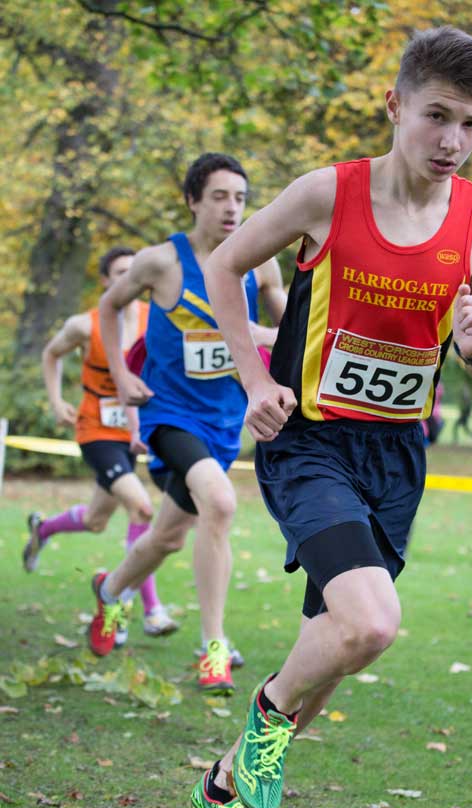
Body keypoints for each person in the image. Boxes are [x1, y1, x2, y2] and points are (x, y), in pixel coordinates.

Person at [187, 26, 472, 808]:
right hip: (308, 442)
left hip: (398, 455)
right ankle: (261, 718)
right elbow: (224, 267)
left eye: (471, 124)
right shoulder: (327, 193)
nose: (451, 141)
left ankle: (221, 788)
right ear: (395, 104)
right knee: (371, 624)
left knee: (331, 656)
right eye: (436, 116)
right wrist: (255, 381)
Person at [92, 153, 286, 695]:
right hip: (169, 415)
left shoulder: (260, 261)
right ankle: (213, 645)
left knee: (167, 537)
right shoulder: (159, 262)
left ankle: (110, 592)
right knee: (220, 504)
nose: (232, 208)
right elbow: (109, 308)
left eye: (240, 198)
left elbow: (289, 323)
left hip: (225, 423)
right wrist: (119, 378)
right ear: (193, 200)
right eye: (220, 196)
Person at [22, 246, 176, 643]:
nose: (132, 279)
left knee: (96, 520)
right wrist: (57, 402)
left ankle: (43, 529)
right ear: (107, 281)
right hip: (96, 430)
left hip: (134, 431)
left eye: (135, 272)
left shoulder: (153, 317)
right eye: (122, 272)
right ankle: (143, 609)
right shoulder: (84, 325)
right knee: (141, 508)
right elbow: (50, 354)